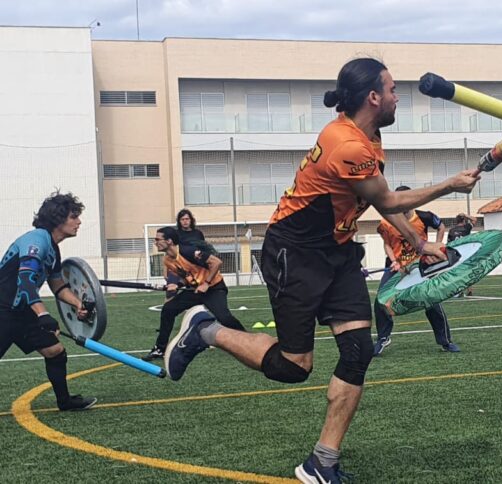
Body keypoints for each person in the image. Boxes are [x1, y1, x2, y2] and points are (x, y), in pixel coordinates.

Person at [161, 58, 479, 482]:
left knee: (358, 351)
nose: (397, 96)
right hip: (295, 251)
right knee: (295, 366)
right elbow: (389, 201)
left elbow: (378, 201)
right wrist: (448, 185)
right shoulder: (346, 145)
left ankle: (322, 462)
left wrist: (420, 243)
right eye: (392, 89)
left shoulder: (370, 136)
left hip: (337, 250)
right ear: (373, 97)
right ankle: (205, 329)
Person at [0, 192, 96, 411]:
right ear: (58, 219)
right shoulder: (36, 240)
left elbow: (57, 284)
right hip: (3, 310)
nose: (79, 222)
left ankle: (65, 402)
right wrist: (43, 315)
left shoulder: (53, 248)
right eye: (74, 217)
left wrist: (77, 303)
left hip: (22, 312)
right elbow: (25, 281)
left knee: (55, 351)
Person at [372, 187, 458, 355]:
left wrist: (438, 246)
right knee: (381, 300)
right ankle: (383, 338)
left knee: (432, 300)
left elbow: (440, 227)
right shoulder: (387, 221)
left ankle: (445, 341)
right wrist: (394, 261)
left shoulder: (424, 217)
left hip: (419, 266)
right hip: (397, 267)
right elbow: (387, 243)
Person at [141, 227, 245, 361]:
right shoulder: (167, 260)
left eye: (157, 239)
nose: (155, 243)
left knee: (224, 318)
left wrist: (206, 283)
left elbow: (216, 262)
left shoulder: (188, 251)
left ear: (169, 241)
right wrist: (177, 285)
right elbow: (186, 277)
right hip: (195, 291)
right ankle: (160, 349)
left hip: (214, 288)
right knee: (168, 309)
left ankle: (247, 339)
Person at [446, 213, 475, 296]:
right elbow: (474, 220)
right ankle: (470, 290)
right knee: (468, 272)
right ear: (464, 220)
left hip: (456, 255)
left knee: (457, 273)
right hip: (466, 253)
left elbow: (448, 244)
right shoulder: (466, 228)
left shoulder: (451, 230)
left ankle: (458, 291)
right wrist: (466, 215)